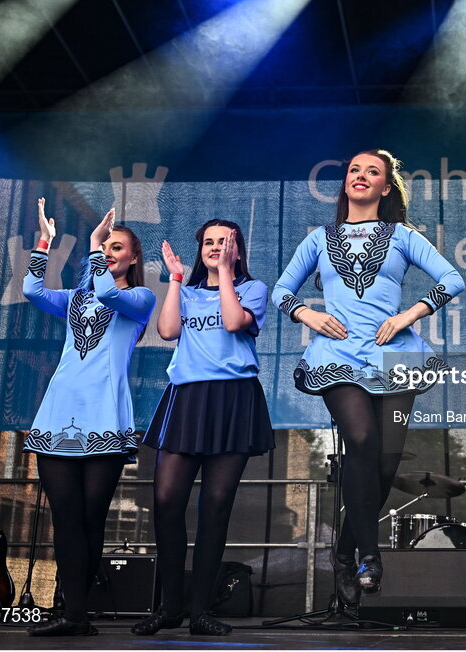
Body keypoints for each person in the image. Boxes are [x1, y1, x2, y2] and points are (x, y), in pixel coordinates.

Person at [272, 149, 464, 604]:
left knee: (384, 464)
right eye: (355, 170)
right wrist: (307, 315)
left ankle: (343, 551)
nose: (361, 176)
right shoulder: (319, 238)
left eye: (372, 172)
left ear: (385, 187)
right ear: (346, 183)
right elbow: (281, 290)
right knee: (359, 440)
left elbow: (452, 278)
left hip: (393, 357)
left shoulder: (401, 235)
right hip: (337, 355)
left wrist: (406, 317)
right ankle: (369, 556)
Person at [132, 220, 273, 636]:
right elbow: (168, 330)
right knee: (166, 500)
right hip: (187, 398)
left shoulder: (252, 289)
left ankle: (201, 612)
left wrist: (228, 273)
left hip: (233, 399)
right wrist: (175, 280)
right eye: (208, 242)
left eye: (224, 241)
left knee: (215, 507)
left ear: (238, 248)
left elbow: (233, 322)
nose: (215, 247)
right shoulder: (187, 291)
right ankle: (170, 606)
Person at [23, 199, 155, 636]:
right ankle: (72, 614)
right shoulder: (76, 297)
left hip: (105, 417)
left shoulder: (138, 298)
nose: (111, 251)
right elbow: (32, 291)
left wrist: (95, 246)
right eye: (107, 246)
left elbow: (108, 293)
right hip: (58, 415)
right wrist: (45, 241)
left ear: (133, 258)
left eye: (119, 247)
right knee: (65, 516)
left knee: (90, 517)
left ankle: (78, 613)